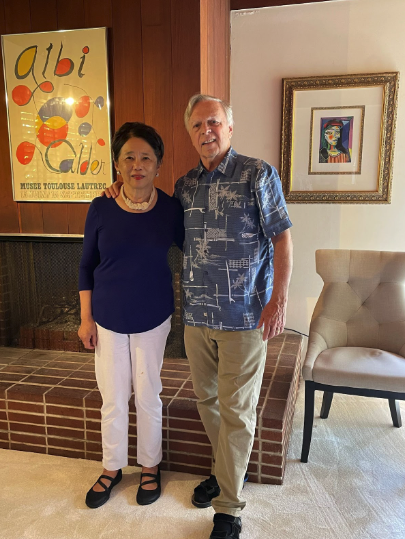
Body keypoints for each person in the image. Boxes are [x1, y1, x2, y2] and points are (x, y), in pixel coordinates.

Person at [104, 95, 293, 539]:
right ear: (189, 134)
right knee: (208, 403)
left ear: (229, 126)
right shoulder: (185, 186)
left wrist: (279, 299)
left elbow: (283, 240)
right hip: (198, 317)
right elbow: (147, 211)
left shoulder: (257, 174)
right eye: (196, 125)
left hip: (245, 317)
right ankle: (226, 472)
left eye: (213, 122)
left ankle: (228, 508)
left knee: (238, 412)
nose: (205, 131)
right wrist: (117, 193)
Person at [78, 122, 184, 509]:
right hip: (106, 317)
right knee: (113, 396)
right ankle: (112, 467)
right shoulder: (101, 206)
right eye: (129, 158)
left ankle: (150, 466)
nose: (137, 165)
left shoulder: (171, 209)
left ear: (157, 165)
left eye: (146, 158)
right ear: (117, 165)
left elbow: (195, 249)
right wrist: (85, 318)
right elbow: (86, 265)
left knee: (149, 394)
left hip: (153, 315)